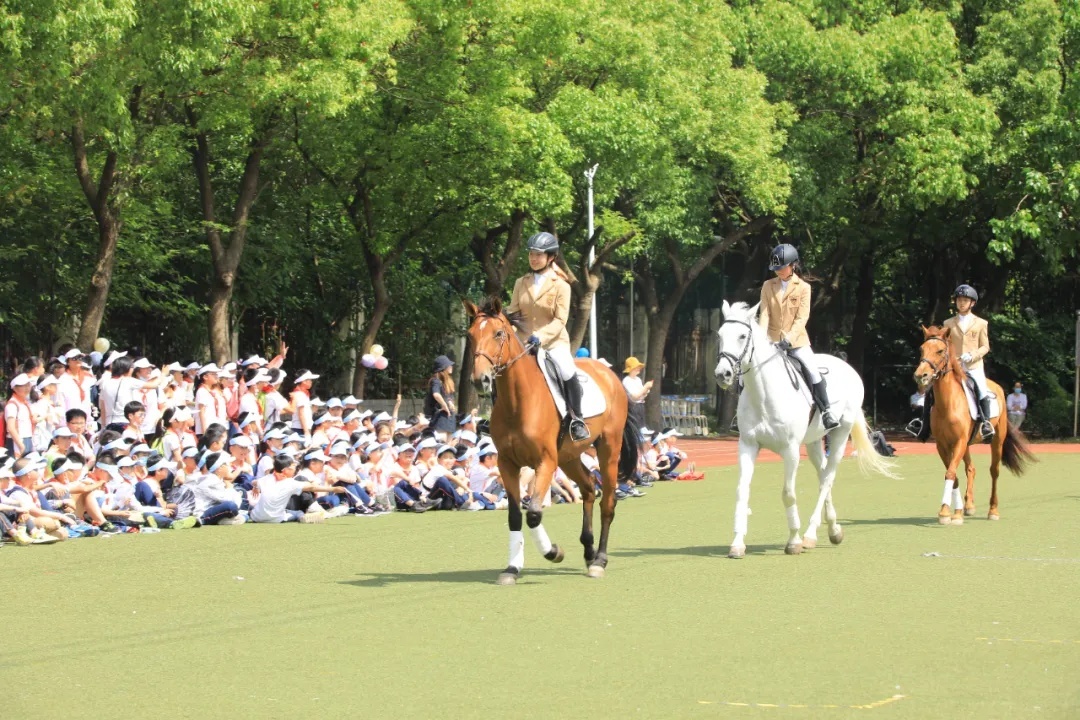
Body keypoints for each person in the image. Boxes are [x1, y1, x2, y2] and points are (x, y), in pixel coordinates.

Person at [507, 231, 589, 441]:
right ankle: (499, 416)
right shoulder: (520, 282)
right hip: (524, 343)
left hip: (552, 343)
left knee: (566, 370)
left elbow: (560, 320)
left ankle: (576, 419)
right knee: (501, 368)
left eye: (539, 255)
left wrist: (540, 337)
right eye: (531, 254)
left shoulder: (561, 285)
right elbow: (514, 314)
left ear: (550, 257)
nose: (534, 258)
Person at [758, 243, 838, 430]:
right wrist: (762, 339)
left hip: (796, 342)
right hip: (771, 340)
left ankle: (826, 410)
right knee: (751, 368)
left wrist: (789, 340)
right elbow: (764, 314)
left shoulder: (804, 288)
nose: (778, 271)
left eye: (781, 267)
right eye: (775, 268)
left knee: (812, 369)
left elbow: (802, 317)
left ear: (792, 265)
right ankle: (742, 415)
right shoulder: (768, 285)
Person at [945, 285, 995, 439]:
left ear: (972, 303)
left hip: (973, 366)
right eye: (959, 300)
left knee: (981, 389)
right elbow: (945, 345)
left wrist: (972, 355)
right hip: (954, 366)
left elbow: (985, 347)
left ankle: (986, 423)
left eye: (965, 300)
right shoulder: (948, 323)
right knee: (932, 389)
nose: (961, 303)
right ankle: (922, 423)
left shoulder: (981, 323)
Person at [424, 355, 457, 440]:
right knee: (442, 442)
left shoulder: (446, 382)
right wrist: (444, 405)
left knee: (449, 443)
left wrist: (450, 403)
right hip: (440, 417)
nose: (451, 366)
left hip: (448, 417)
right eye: (448, 365)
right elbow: (436, 394)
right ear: (443, 368)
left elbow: (447, 396)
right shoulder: (436, 381)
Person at [622, 357, 651, 429]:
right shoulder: (627, 380)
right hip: (633, 406)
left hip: (640, 405)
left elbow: (642, 394)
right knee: (636, 427)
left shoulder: (638, 379)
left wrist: (646, 390)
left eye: (638, 367)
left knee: (642, 426)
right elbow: (635, 396)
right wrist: (645, 388)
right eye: (636, 367)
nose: (638, 369)